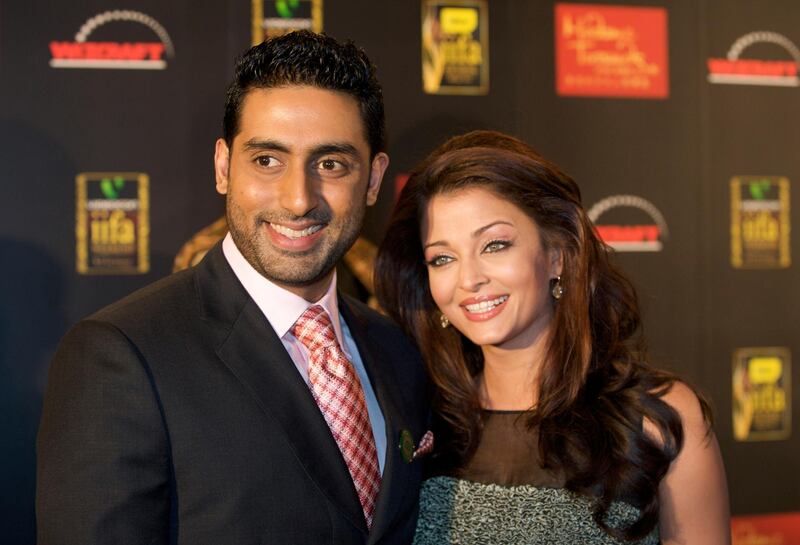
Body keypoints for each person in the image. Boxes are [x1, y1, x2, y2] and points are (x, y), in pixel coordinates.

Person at [36, 31, 429, 545]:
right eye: (268, 160)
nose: (297, 200)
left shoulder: (397, 349)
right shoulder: (122, 354)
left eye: (331, 164)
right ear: (224, 167)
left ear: (374, 180)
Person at [375, 130, 730, 544]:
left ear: (557, 255)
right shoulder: (418, 424)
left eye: (494, 245)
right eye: (443, 258)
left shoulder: (658, 419)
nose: (469, 279)